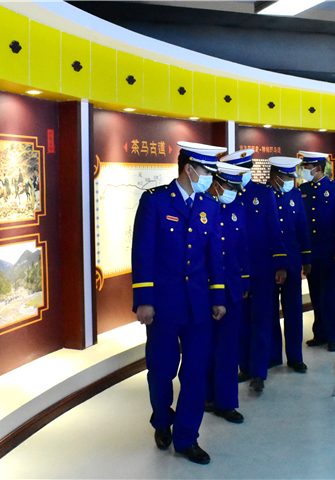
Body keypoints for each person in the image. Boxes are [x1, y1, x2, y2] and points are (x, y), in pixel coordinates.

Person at [131, 141, 227, 465]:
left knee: (196, 372)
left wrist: (218, 297)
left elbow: (214, 256)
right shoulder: (155, 201)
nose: (210, 178)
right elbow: (142, 253)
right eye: (206, 171)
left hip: (198, 305)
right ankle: (162, 420)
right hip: (163, 305)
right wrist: (144, 300)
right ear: (189, 169)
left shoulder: (209, 206)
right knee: (161, 369)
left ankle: (187, 437)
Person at [231, 150, 289, 391]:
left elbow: (275, 229)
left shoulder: (263, 193)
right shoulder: (226, 194)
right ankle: (244, 367)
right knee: (241, 321)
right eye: (239, 171)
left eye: (246, 169)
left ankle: (259, 372)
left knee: (262, 319)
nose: (244, 174)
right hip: (236, 270)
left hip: (262, 269)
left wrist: (280, 264)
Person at [204, 159, 250, 422]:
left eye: (235, 188)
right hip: (204, 287)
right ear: (216, 183)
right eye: (229, 187)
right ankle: (204, 395)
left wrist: (245, 282)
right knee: (203, 346)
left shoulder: (237, 208)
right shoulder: (200, 206)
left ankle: (226, 402)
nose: (233, 192)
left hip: (232, 287)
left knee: (228, 347)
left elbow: (242, 247)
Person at [299, 151, 335, 353]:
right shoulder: (303, 189)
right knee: (315, 294)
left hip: (331, 253)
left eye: (306, 167)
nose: (304, 171)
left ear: (317, 168)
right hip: (312, 252)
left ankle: (332, 336)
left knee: (330, 297)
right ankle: (319, 334)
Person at [269, 157, 311, 379]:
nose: (290, 181)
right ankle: (273, 356)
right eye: (286, 177)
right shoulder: (264, 196)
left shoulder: (295, 195)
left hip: (293, 263)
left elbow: (302, 228)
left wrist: (306, 259)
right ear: (276, 177)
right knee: (270, 313)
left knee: (294, 311)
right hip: (269, 265)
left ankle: (295, 357)